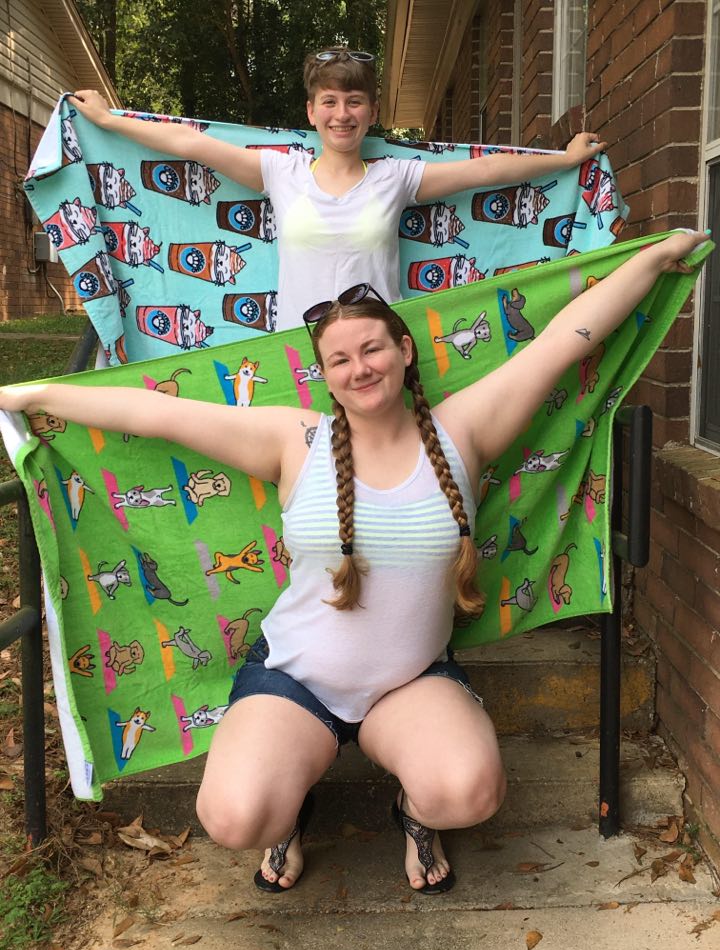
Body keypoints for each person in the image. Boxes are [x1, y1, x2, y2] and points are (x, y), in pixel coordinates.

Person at [0, 229, 705, 893]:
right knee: (236, 818)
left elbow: (564, 341)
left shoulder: (465, 428)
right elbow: (154, 415)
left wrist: (656, 258)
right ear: (325, 376)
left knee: (469, 791)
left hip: (409, 683)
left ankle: (416, 812)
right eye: (339, 359)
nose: (359, 367)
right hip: (294, 682)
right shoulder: (293, 440)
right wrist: (27, 395)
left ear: (404, 350)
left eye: (372, 349)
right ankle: (288, 815)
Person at [69, 47, 606, 331]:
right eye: (329, 101)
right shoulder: (281, 171)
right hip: (300, 353)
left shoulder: (397, 177)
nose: (341, 114)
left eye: (353, 102)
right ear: (311, 112)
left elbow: (484, 172)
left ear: (371, 112)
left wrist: (565, 159)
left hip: (379, 350)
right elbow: (188, 144)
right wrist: (110, 123)